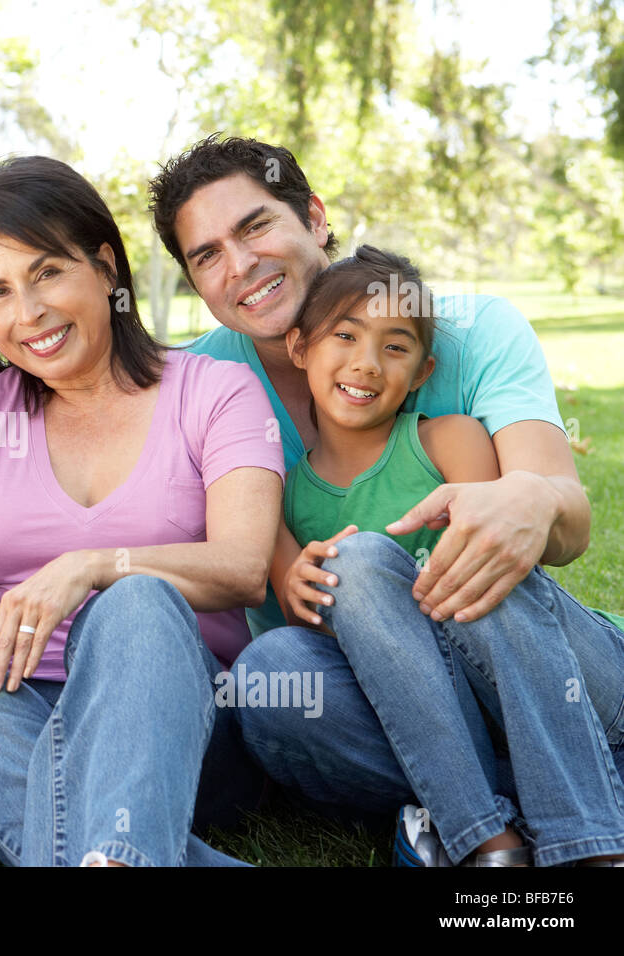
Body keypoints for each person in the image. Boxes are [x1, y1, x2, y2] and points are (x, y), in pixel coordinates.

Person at [0, 155, 284, 867]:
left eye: (47, 272)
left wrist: (95, 568)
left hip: (184, 726)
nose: (29, 313)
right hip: (12, 723)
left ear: (105, 268)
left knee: (137, 601)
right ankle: (120, 855)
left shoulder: (215, 392)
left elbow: (242, 570)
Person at [147, 134, 599, 832]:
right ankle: (552, 791)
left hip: (519, 655)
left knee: (481, 577)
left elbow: (569, 521)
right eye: (207, 255)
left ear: (316, 218)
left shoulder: (472, 333)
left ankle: (502, 808)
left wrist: (530, 499)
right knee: (273, 681)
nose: (240, 265)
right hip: (366, 689)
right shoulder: (194, 386)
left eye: (255, 225)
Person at [271, 246, 624, 867]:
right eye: (345, 336)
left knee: (476, 561)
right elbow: (318, 630)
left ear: (424, 370)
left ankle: (587, 847)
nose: (367, 364)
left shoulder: (447, 438)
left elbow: (516, 590)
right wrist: (307, 585)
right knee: (351, 565)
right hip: (439, 705)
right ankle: (489, 842)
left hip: (554, 672)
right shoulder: (291, 496)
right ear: (299, 348)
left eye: (395, 346)